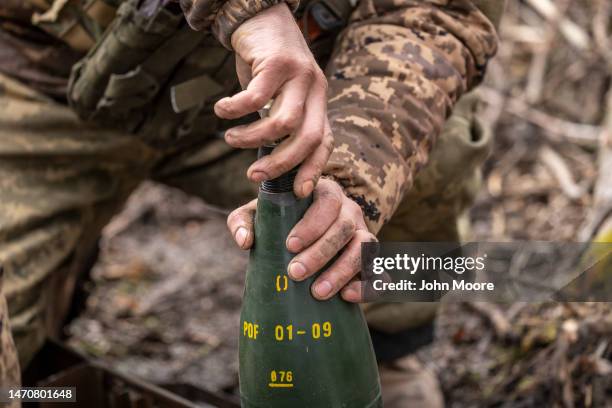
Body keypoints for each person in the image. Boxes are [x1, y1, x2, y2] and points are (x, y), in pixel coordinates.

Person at [0, 0, 503, 406]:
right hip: (42, 86)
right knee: (14, 381)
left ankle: (383, 354)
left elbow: (436, 15)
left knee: (421, 163)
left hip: (280, 99)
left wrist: (343, 172)